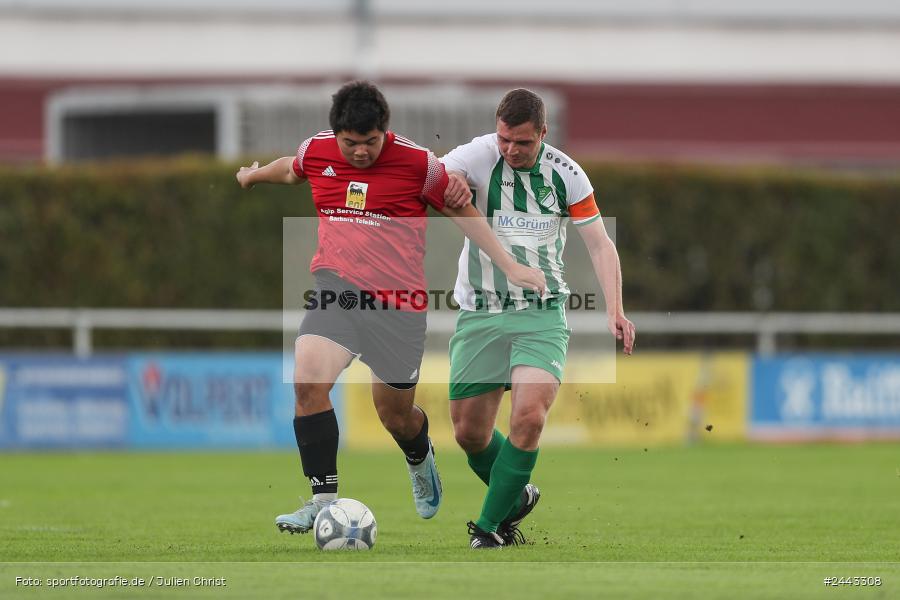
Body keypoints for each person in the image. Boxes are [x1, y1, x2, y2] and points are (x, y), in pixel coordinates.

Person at [235, 81, 546, 537]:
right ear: (335, 134)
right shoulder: (318, 150)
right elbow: (291, 169)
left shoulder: (421, 165)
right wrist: (253, 175)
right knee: (307, 381)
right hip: (335, 291)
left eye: (370, 143)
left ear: (386, 131)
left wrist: (510, 266)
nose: (360, 152)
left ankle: (419, 457)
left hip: (398, 307)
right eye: (350, 144)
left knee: (395, 415)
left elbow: (463, 213)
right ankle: (323, 503)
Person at [440, 88, 636, 549]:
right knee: (470, 433)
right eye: (505, 139)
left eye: (522, 143)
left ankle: (489, 529)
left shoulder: (568, 175)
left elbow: (599, 244)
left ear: (543, 134)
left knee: (528, 416)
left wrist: (615, 308)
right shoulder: (478, 153)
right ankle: (515, 495)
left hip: (541, 314)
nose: (510, 150)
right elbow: (436, 174)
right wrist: (447, 181)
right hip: (480, 311)